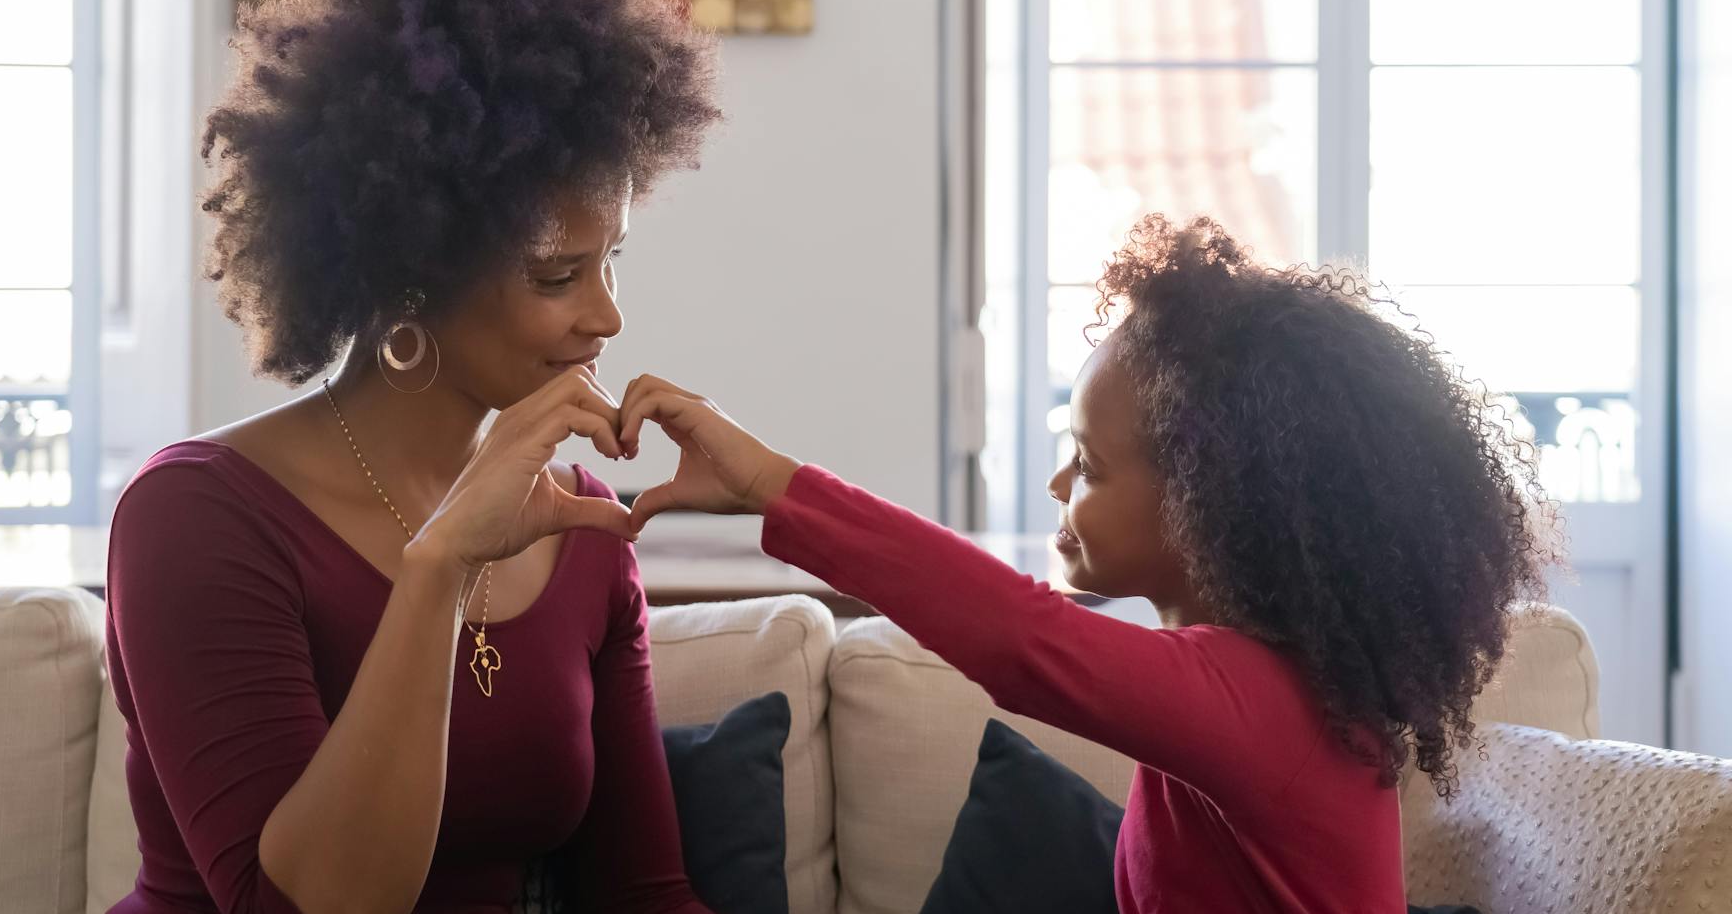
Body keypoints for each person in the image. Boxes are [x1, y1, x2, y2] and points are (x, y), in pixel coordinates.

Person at [603, 216, 1556, 913]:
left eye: (1092, 465)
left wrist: (771, 483)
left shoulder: (1257, 701)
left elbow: (1023, 640)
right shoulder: (1256, 678)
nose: (1061, 481)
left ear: (1205, 503)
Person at [104, 0, 719, 914]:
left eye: (610, 262)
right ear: (410, 271)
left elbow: (643, 894)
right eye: (558, 274)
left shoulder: (585, 530)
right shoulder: (194, 519)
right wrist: (441, 567)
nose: (606, 315)